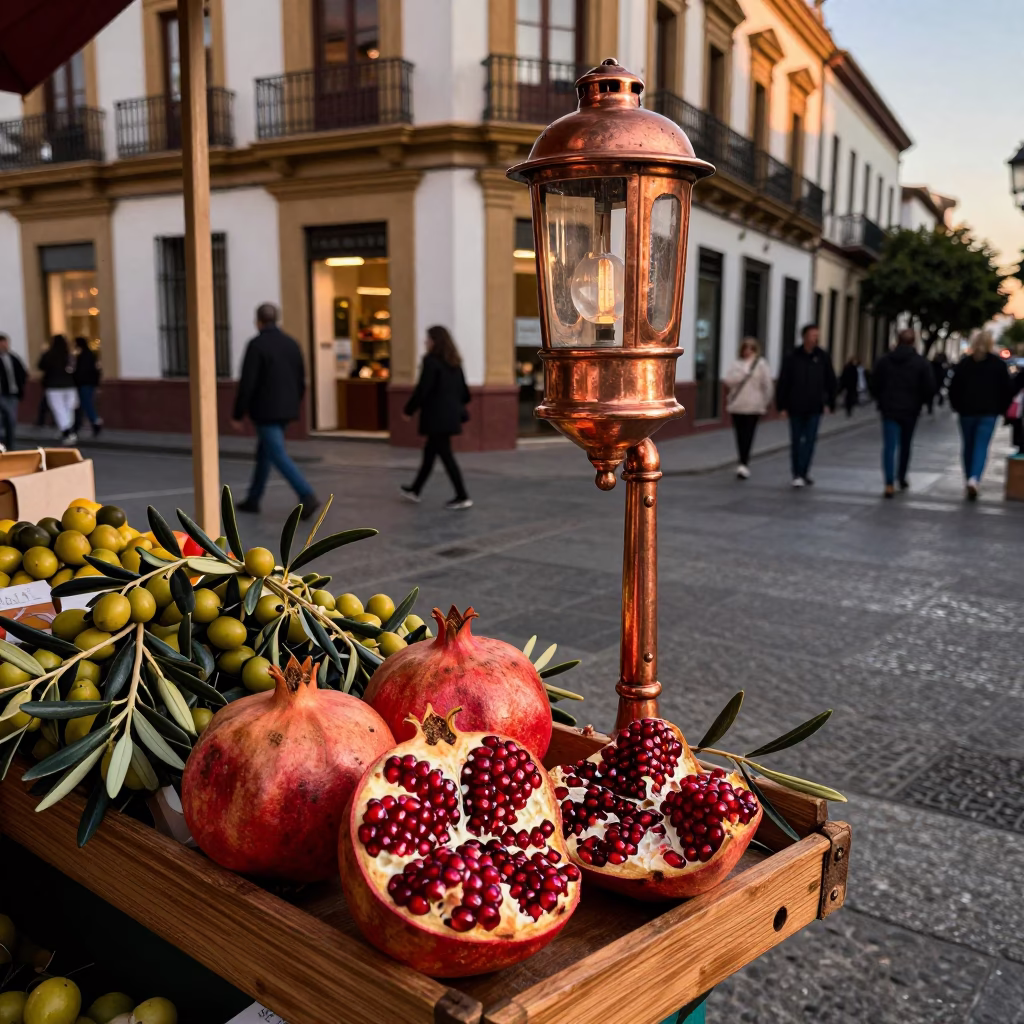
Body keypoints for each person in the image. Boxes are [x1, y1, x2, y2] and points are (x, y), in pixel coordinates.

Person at [232, 303, 320, 519]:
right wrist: (295, 403)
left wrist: (238, 412)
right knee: (265, 453)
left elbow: (248, 382)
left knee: (277, 454)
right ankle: (253, 499)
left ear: (258, 321)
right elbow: (301, 378)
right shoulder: (292, 343)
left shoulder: (256, 345)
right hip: (286, 409)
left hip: (265, 410)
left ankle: (306, 494)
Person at [401, 325, 472, 510]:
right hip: (450, 416)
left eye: (428, 339)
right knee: (430, 453)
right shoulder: (455, 362)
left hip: (436, 418)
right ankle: (415, 489)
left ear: (435, 341)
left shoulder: (431, 361)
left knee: (446, 456)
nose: (425, 342)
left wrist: (409, 410)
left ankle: (462, 495)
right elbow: (465, 393)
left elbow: (423, 389)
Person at [948, 332, 1013, 501]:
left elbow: (953, 387)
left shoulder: (965, 364)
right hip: (988, 412)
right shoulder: (998, 365)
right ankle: (974, 478)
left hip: (967, 412)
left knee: (968, 445)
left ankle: (969, 477)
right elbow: (1006, 390)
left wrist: (957, 406)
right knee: (981, 446)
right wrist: (1002, 409)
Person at [870, 328, 934, 498]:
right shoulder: (920, 363)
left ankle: (889, 482)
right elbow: (928, 387)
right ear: (913, 342)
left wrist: (881, 400)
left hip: (889, 409)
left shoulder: (884, 361)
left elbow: (874, 383)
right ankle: (902, 476)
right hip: (910, 410)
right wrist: (922, 402)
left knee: (889, 446)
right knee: (905, 445)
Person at [776, 324, 837, 488]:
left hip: (815, 405)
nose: (815, 338)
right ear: (804, 337)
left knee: (810, 441)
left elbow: (830, 380)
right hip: (795, 405)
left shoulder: (823, 356)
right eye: (812, 335)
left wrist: (830, 402)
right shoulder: (792, 357)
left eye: (817, 335)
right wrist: (781, 406)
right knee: (796, 440)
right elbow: (784, 381)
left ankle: (804, 471)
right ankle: (796, 473)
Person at [723, 337, 773, 479]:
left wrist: (765, 402)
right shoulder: (736, 364)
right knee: (739, 435)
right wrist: (741, 375)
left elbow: (767, 385)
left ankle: (744, 463)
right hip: (737, 405)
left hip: (754, 406)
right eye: (745, 348)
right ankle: (741, 461)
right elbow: (728, 381)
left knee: (749, 435)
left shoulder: (761, 364)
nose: (748, 351)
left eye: (751, 348)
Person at [37, 334, 78, 445]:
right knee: (69, 409)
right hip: (69, 385)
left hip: (54, 386)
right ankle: (68, 430)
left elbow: (40, 366)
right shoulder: (69, 355)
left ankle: (66, 431)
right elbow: (74, 369)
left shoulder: (48, 355)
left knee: (59, 409)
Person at [0, 333, 27, 452]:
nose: (5, 345)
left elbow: (22, 373)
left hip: (11, 394)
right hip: (1, 394)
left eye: (6, 343)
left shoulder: (13, 358)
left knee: (11, 421)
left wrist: (20, 388)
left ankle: (10, 445)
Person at [72, 336, 103, 437]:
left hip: (84, 383)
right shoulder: (90, 354)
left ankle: (95, 422)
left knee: (86, 404)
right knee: (86, 403)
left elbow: (82, 371)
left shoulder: (83, 356)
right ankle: (88, 423)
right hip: (89, 383)